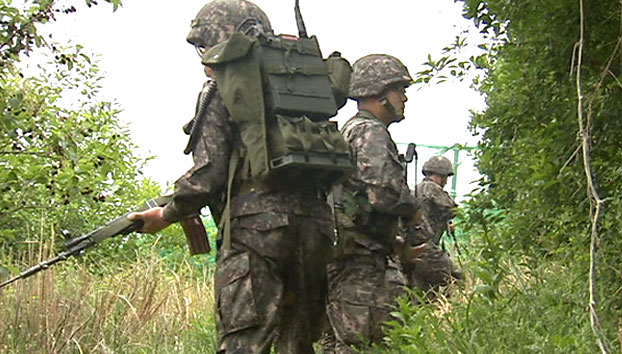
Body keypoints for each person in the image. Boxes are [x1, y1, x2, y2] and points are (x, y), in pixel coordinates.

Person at [128, 1, 334, 353]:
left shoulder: (228, 86)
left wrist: (165, 214)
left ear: (219, 41)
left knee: (245, 342)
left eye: (204, 45)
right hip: (314, 227)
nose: (202, 56)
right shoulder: (300, 84)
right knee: (297, 344)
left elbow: (209, 174)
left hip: (256, 232)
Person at [325, 54, 422, 353]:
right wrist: (414, 212)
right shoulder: (371, 132)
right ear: (379, 95)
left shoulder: (350, 130)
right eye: (399, 90)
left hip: (349, 254)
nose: (405, 98)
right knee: (367, 343)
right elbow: (383, 193)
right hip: (361, 263)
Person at [405, 155, 462, 296]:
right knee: (456, 278)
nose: (446, 182)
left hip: (415, 247)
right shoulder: (431, 187)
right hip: (427, 247)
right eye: (445, 177)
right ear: (440, 176)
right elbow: (451, 208)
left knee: (424, 292)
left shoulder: (418, 189)